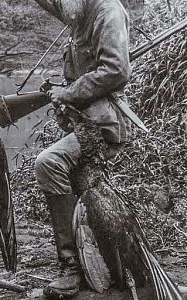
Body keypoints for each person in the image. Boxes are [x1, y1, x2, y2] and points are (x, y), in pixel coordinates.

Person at [33, 0, 132, 298]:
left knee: (48, 162)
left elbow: (116, 70)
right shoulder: (77, 10)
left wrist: (68, 92)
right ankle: (88, 259)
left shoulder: (107, 11)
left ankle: (71, 268)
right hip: (85, 124)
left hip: (104, 125)